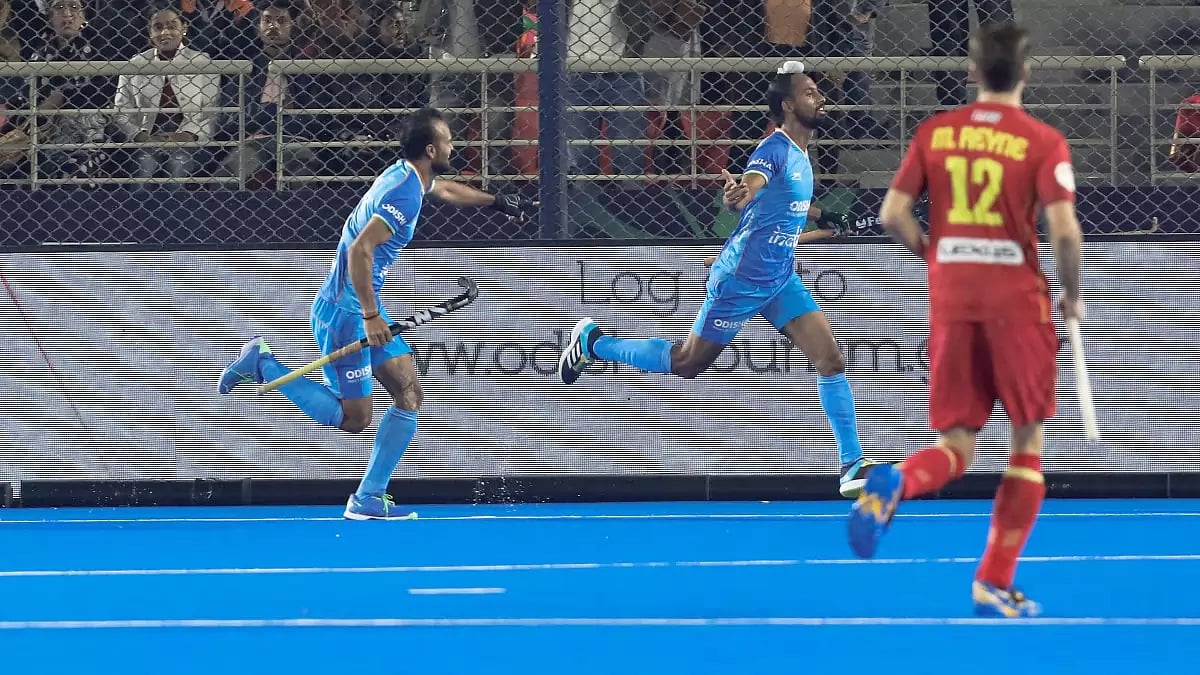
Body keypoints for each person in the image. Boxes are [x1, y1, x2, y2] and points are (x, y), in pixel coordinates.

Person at [557, 61, 882, 499]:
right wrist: (739, 193)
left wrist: (827, 215)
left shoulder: (802, 155)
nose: (819, 97)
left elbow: (785, 203)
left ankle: (851, 464)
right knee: (688, 363)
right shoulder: (775, 149)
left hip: (779, 279)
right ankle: (594, 342)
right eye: (809, 92)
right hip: (740, 281)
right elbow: (752, 184)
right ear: (787, 105)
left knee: (831, 360)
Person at [847, 22, 1085, 618]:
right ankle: (993, 580)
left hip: (952, 299)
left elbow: (892, 213)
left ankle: (895, 482)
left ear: (972, 70)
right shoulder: (1041, 140)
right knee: (1026, 441)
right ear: (1026, 72)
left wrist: (937, 254)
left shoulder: (936, 132)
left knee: (956, 443)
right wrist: (1072, 294)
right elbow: (1062, 231)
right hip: (1015, 301)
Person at [217, 107, 535, 520]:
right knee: (355, 419)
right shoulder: (401, 194)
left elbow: (446, 190)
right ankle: (263, 364)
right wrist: (370, 316)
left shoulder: (411, 176)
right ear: (430, 148)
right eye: (449, 141)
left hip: (361, 306)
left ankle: (369, 496)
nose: (455, 146)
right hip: (345, 314)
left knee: (409, 391)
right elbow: (359, 250)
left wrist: (498, 202)